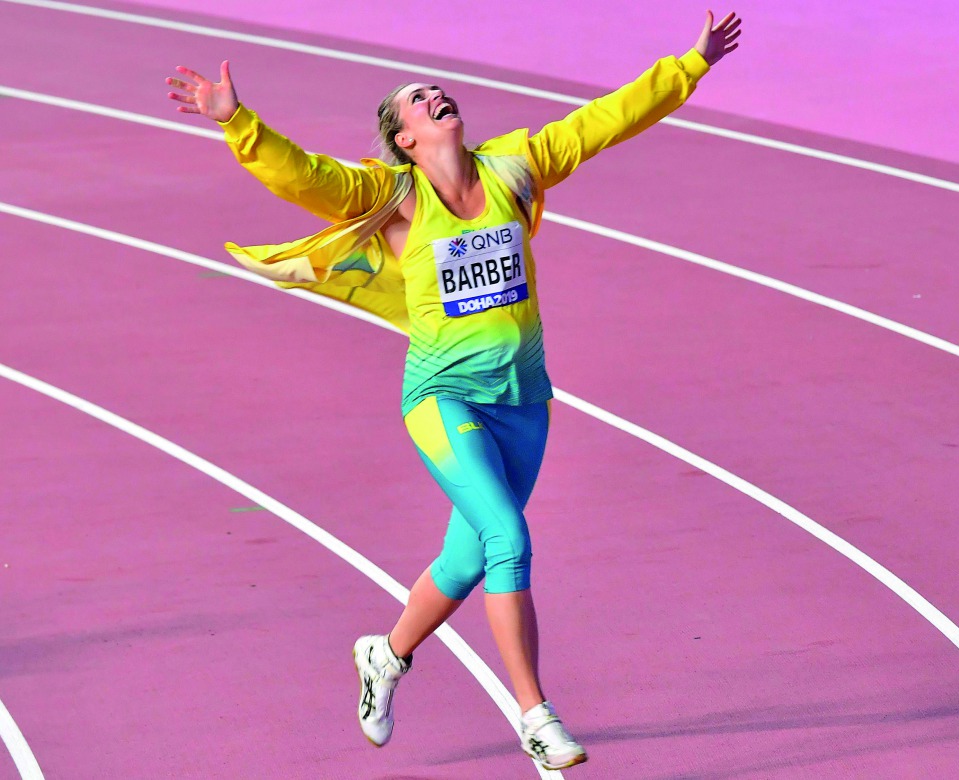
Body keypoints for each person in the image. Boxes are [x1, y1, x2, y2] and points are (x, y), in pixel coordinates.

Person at [166, 10, 742, 771]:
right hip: (442, 397)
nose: (436, 96)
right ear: (404, 137)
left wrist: (691, 64)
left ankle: (386, 653)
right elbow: (307, 175)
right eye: (418, 99)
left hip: (524, 404)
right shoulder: (394, 195)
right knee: (509, 540)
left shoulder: (514, 166)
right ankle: (536, 716)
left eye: (439, 91)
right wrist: (238, 123)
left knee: (467, 562)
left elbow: (605, 120)